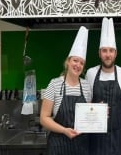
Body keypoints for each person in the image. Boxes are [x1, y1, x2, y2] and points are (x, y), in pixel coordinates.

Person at [85, 17, 121, 155]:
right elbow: (85, 105)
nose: (108, 55)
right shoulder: (90, 73)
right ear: (99, 53)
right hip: (95, 139)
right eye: (104, 51)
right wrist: (95, 110)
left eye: (111, 51)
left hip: (118, 138)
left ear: (116, 53)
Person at [40, 26, 91, 155]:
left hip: (81, 146)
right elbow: (44, 118)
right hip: (58, 145)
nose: (78, 65)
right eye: (75, 60)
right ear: (68, 62)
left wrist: (99, 111)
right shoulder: (55, 84)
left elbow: (88, 115)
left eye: (81, 63)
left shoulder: (86, 86)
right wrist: (64, 130)